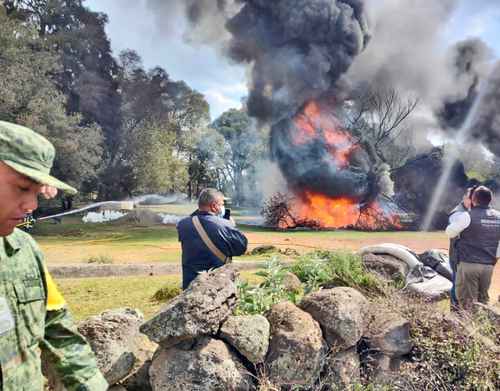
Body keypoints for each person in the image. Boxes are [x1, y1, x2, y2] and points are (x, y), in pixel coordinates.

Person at [0, 121, 107, 390]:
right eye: (23, 188)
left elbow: (57, 327)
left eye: (37, 193)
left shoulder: (25, 250)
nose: (32, 206)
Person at [177, 188, 248, 289]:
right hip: (217, 285)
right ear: (214, 206)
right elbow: (241, 247)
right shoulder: (225, 225)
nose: (223, 207)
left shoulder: (182, 224)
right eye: (222, 204)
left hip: (190, 285)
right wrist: (231, 226)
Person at [445, 185, 500, 310]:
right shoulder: (498, 217)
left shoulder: (467, 215)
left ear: (473, 200)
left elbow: (450, 232)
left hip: (468, 264)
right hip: (488, 266)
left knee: (467, 301)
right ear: (490, 200)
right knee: (483, 299)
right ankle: (483, 325)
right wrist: (494, 259)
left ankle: (468, 327)